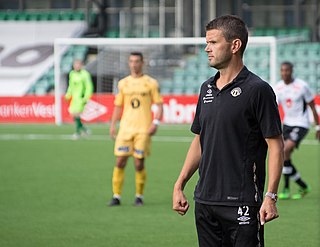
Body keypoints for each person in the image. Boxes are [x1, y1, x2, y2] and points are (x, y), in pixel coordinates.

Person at [172, 15, 284, 247]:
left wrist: (270, 196)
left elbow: (275, 145)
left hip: (242, 201)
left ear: (235, 46)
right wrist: (179, 184)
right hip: (204, 201)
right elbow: (199, 140)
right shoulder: (207, 88)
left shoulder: (258, 90)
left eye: (213, 43)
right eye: (207, 42)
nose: (206, 48)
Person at [109, 52, 163, 206]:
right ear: (129, 63)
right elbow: (118, 106)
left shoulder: (151, 83)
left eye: (137, 61)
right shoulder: (123, 83)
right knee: (120, 161)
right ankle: (116, 196)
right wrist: (113, 125)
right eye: (131, 61)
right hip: (125, 129)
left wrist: (156, 122)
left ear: (142, 63)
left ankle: (139, 196)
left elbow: (159, 105)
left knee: (139, 163)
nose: (134, 64)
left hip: (143, 130)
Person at [274, 62, 320, 200]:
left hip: (301, 124)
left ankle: (286, 188)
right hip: (287, 124)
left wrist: (318, 127)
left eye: (287, 70)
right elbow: (274, 108)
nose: (284, 73)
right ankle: (302, 185)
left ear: (292, 71)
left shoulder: (302, 86)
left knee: (285, 150)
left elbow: (312, 107)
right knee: (284, 156)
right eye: (282, 70)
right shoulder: (278, 87)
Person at [65, 59, 93, 139]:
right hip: (74, 98)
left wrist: (86, 97)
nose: (76, 66)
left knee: (77, 114)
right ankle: (84, 129)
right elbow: (71, 86)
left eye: (78, 64)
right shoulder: (72, 74)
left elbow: (89, 87)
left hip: (81, 98)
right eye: (75, 64)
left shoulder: (85, 74)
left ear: (81, 65)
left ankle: (77, 133)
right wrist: (68, 94)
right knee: (73, 115)